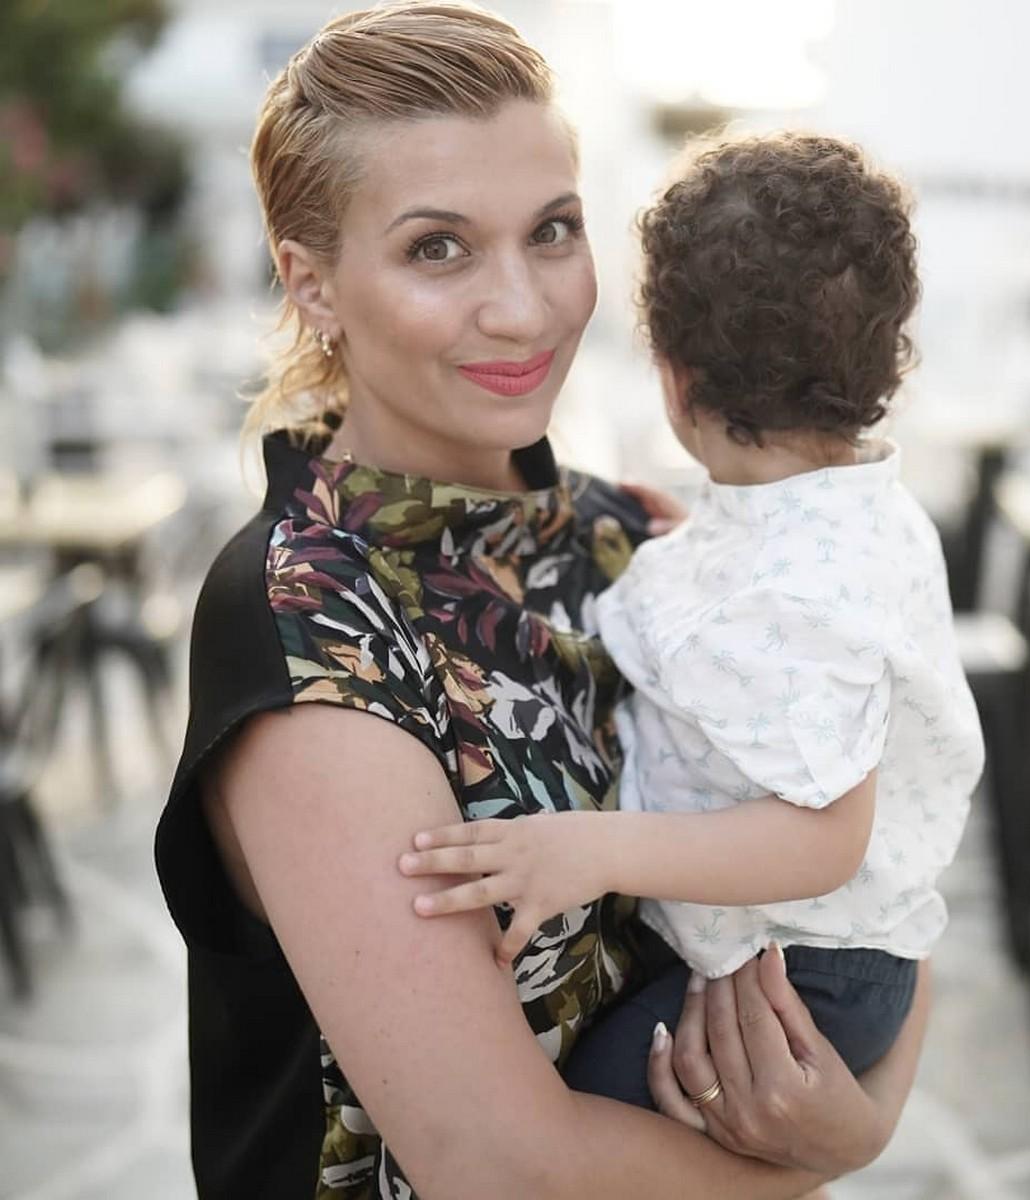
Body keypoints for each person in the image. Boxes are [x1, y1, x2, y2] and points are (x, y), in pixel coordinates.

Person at [154, 5, 930, 1198]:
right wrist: (825, 1163)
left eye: (553, 230)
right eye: (438, 249)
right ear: (312, 282)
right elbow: (498, 1166)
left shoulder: (632, 537)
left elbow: (884, 858)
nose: (522, 307)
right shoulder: (310, 629)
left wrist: (865, 1112)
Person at [400, 130, 985, 1110]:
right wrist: (699, 548)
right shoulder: (849, 513)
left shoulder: (788, 595)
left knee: (587, 1110)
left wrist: (591, 850)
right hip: (816, 953)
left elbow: (823, 841)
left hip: (806, 973)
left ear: (674, 379)